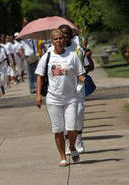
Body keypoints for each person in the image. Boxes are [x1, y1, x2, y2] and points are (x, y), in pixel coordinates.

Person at [35, 30, 86, 167]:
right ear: (52, 41)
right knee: (58, 130)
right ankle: (63, 157)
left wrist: (81, 77)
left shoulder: (72, 56)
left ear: (64, 40)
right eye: (56, 39)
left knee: (72, 127)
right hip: (53, 99)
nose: (58, 41)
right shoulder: (47, 57)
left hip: (70, 98)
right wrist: (38, 96)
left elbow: (80, 72)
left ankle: (73, 147)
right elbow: (39, 77)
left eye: (60, 38)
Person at [58, 24, 94, 154]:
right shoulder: (53, 50)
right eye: (63, 34)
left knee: (78, 113)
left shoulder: (78, 49)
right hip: (62, 89)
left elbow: (88, 67)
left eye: (68, 34)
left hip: (78, 87)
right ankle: (69, 143)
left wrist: (85, 57)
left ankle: (78, 139)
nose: (65, 36)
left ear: (71, 35)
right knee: (67, 117)